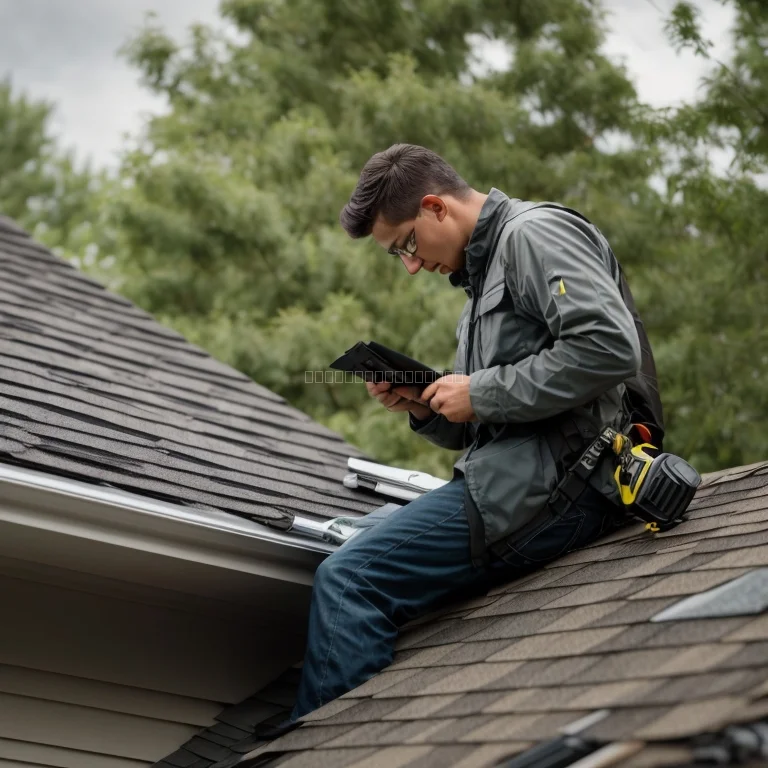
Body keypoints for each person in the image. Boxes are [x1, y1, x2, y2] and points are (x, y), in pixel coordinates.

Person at [280, 143, 660, 730]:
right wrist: (431, 409)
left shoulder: (535, 235)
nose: (409, 265)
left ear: (435, 207)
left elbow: (607, 348)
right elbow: (503, 420)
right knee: (345, 539)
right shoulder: (479, 286)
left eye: (405, 244)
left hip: (568, 484)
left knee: (350, 579)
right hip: (519, 479)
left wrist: (479, 392)